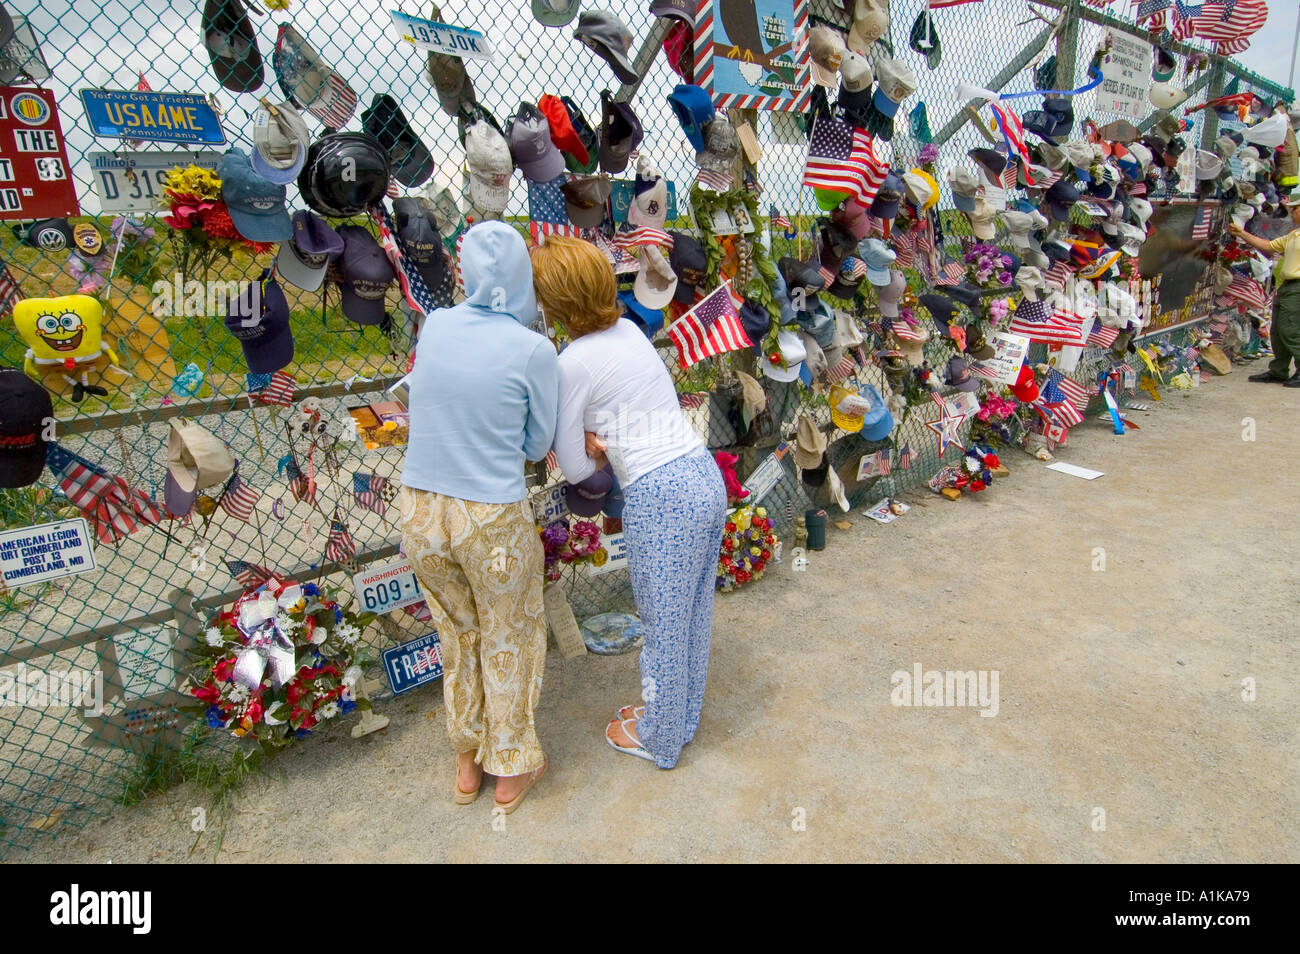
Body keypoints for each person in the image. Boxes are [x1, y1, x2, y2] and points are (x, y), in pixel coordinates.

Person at [530, 235, 727, 770]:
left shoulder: (571, 361)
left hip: (660, 494)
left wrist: (593, 448)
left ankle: (659, 739)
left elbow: (572, 467)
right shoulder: (629, 332)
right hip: (701, 473)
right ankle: (677, 720)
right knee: (690, 614)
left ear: (554, 303)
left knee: (662, 623)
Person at [399, 221, 558, 813]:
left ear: (463, 270)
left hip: (419, 507)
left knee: (457, 631)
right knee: (507, 632)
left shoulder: (436, 324)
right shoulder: (534, 349)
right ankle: (510, 770)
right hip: (488, 513)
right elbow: (538, 441)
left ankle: (466, 763)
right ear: (523, 276)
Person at [1231, 194, 1300, 387]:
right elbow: (1268, 246)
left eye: (1296, 209)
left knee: (1290, 329)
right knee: (1277, 330)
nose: (1292, 212)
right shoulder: (1294, 235)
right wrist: (1242, 233)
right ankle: (1278, 369)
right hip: (1287, 285)